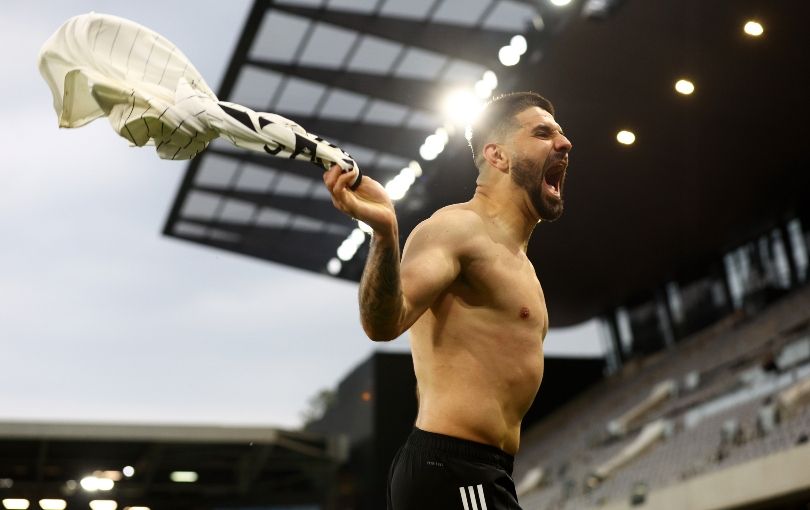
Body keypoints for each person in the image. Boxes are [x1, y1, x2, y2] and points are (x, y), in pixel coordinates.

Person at [323, 92, 572, 510]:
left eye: (562, 134)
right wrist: (385, 234)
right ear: (498, 156)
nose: (565, 144)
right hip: (453, 469)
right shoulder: (457, 228)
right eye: (543, 133)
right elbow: (383, 323)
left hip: (475, 472)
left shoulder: (518, 261)